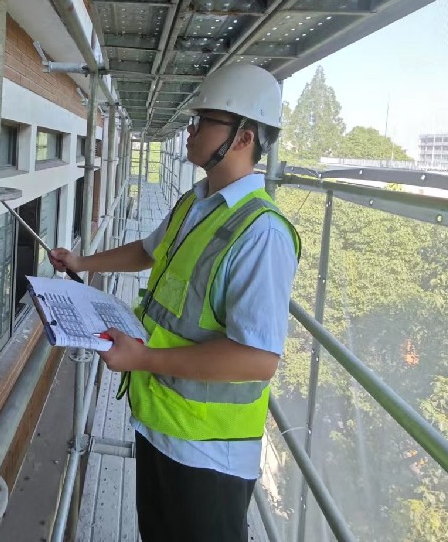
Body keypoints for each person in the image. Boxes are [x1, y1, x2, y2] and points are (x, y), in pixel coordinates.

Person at [49, 63, 301, 542]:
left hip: (209, 454)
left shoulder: (262, 233)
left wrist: (143, 357)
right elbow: (147, 251)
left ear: (242, 138)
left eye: (205, 120)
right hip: (161, 426)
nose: (191, 129)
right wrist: (82, 262)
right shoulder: (196, 202)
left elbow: (257, 358)